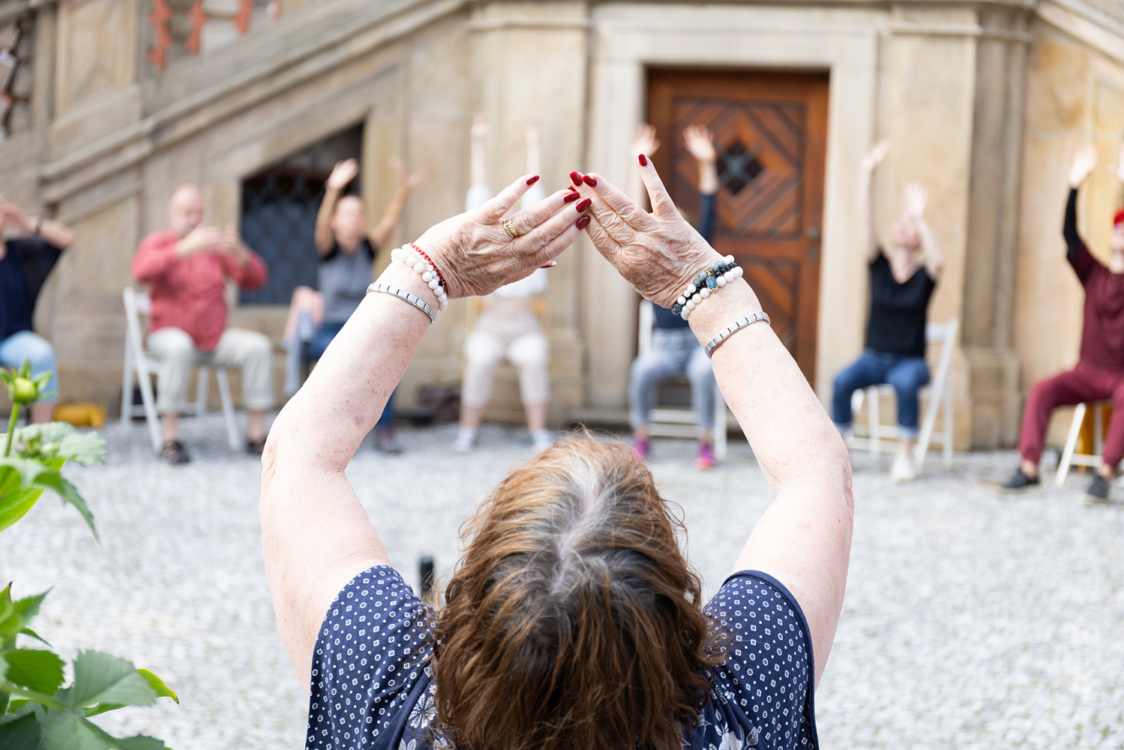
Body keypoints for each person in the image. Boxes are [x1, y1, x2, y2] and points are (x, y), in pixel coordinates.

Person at [260, 159, 852, 750]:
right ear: (673, 612)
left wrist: (429, 270)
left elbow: (300, 459)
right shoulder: (739, 711)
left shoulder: (388, 696)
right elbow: (817, 475)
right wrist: (706, 286)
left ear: (474, 596)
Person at [1003, 144, 1124, 504]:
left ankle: (1104, 475)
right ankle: (1028, 467)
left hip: (1121, 377)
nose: (1119, 232)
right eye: (1117, 227)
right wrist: (1074, 185)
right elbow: (1069, 234)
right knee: (1043, 389)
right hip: (1086, 372)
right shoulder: (1094, 273)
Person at [281, 158, 421, 454]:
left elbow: (390, 220)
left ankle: (385, 429)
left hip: (360, 328)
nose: (352, 219)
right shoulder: (328, 249)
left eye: (358, 214)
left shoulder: (367, 250)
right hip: (328, 330)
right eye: (346, 214)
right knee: (336, 357)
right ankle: (321, 429)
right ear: (335, 220)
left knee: (390, 355)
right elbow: (320, 224)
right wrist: (333, 190)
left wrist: (404, 191)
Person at [132, 185, 273, 464]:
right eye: (187, 213)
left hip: (213, 339)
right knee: (179, 347)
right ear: (170, 215)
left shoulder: (213, 248)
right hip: (167, 336)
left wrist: (240, 252)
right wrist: (183, 249)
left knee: (258, 347)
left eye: (198, 213)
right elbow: (140, 270)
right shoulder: (159, 242)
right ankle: (170, 437)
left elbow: (257, 280)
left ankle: (256, 435)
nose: (194, 219)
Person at [830, 140, 945, 482]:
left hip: (910, 362)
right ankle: (839, 449)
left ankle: (904, 456)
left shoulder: (925, 276)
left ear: (918, 239)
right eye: (900, 222)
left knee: (906, 383)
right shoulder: (878, 265)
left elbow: (939, 259)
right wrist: (868, 174)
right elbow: (866, 222)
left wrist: (920, 219)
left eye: (907, 226)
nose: (901, 226)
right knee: (842, 380)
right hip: (873, 358)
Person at [454, 116, 555, 453]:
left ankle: (538, 431)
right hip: (490, 327)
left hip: (524, 327)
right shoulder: (482, 251)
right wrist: (478, 142)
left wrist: (534, 144)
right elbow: (477, 198)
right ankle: (469, 428)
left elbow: (536, 198)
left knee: (534, 357)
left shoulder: (534, 251)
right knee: (480, 358)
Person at [627, 123, 721, 469]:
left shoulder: (699, 260)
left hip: (697, 343)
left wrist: (707, 163)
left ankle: (706, 442)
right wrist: (637, 165)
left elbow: (710, 209)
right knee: (641, 371)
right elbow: (629, 218)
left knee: (702, 373)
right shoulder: (648, 261)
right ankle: (641, 436)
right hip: (663, 347)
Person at [0, 201, 76, 423]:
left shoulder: (20, 252)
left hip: (12, 339)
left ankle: (39, 436)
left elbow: (67, 238)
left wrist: (29, 224)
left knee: (42, 354)